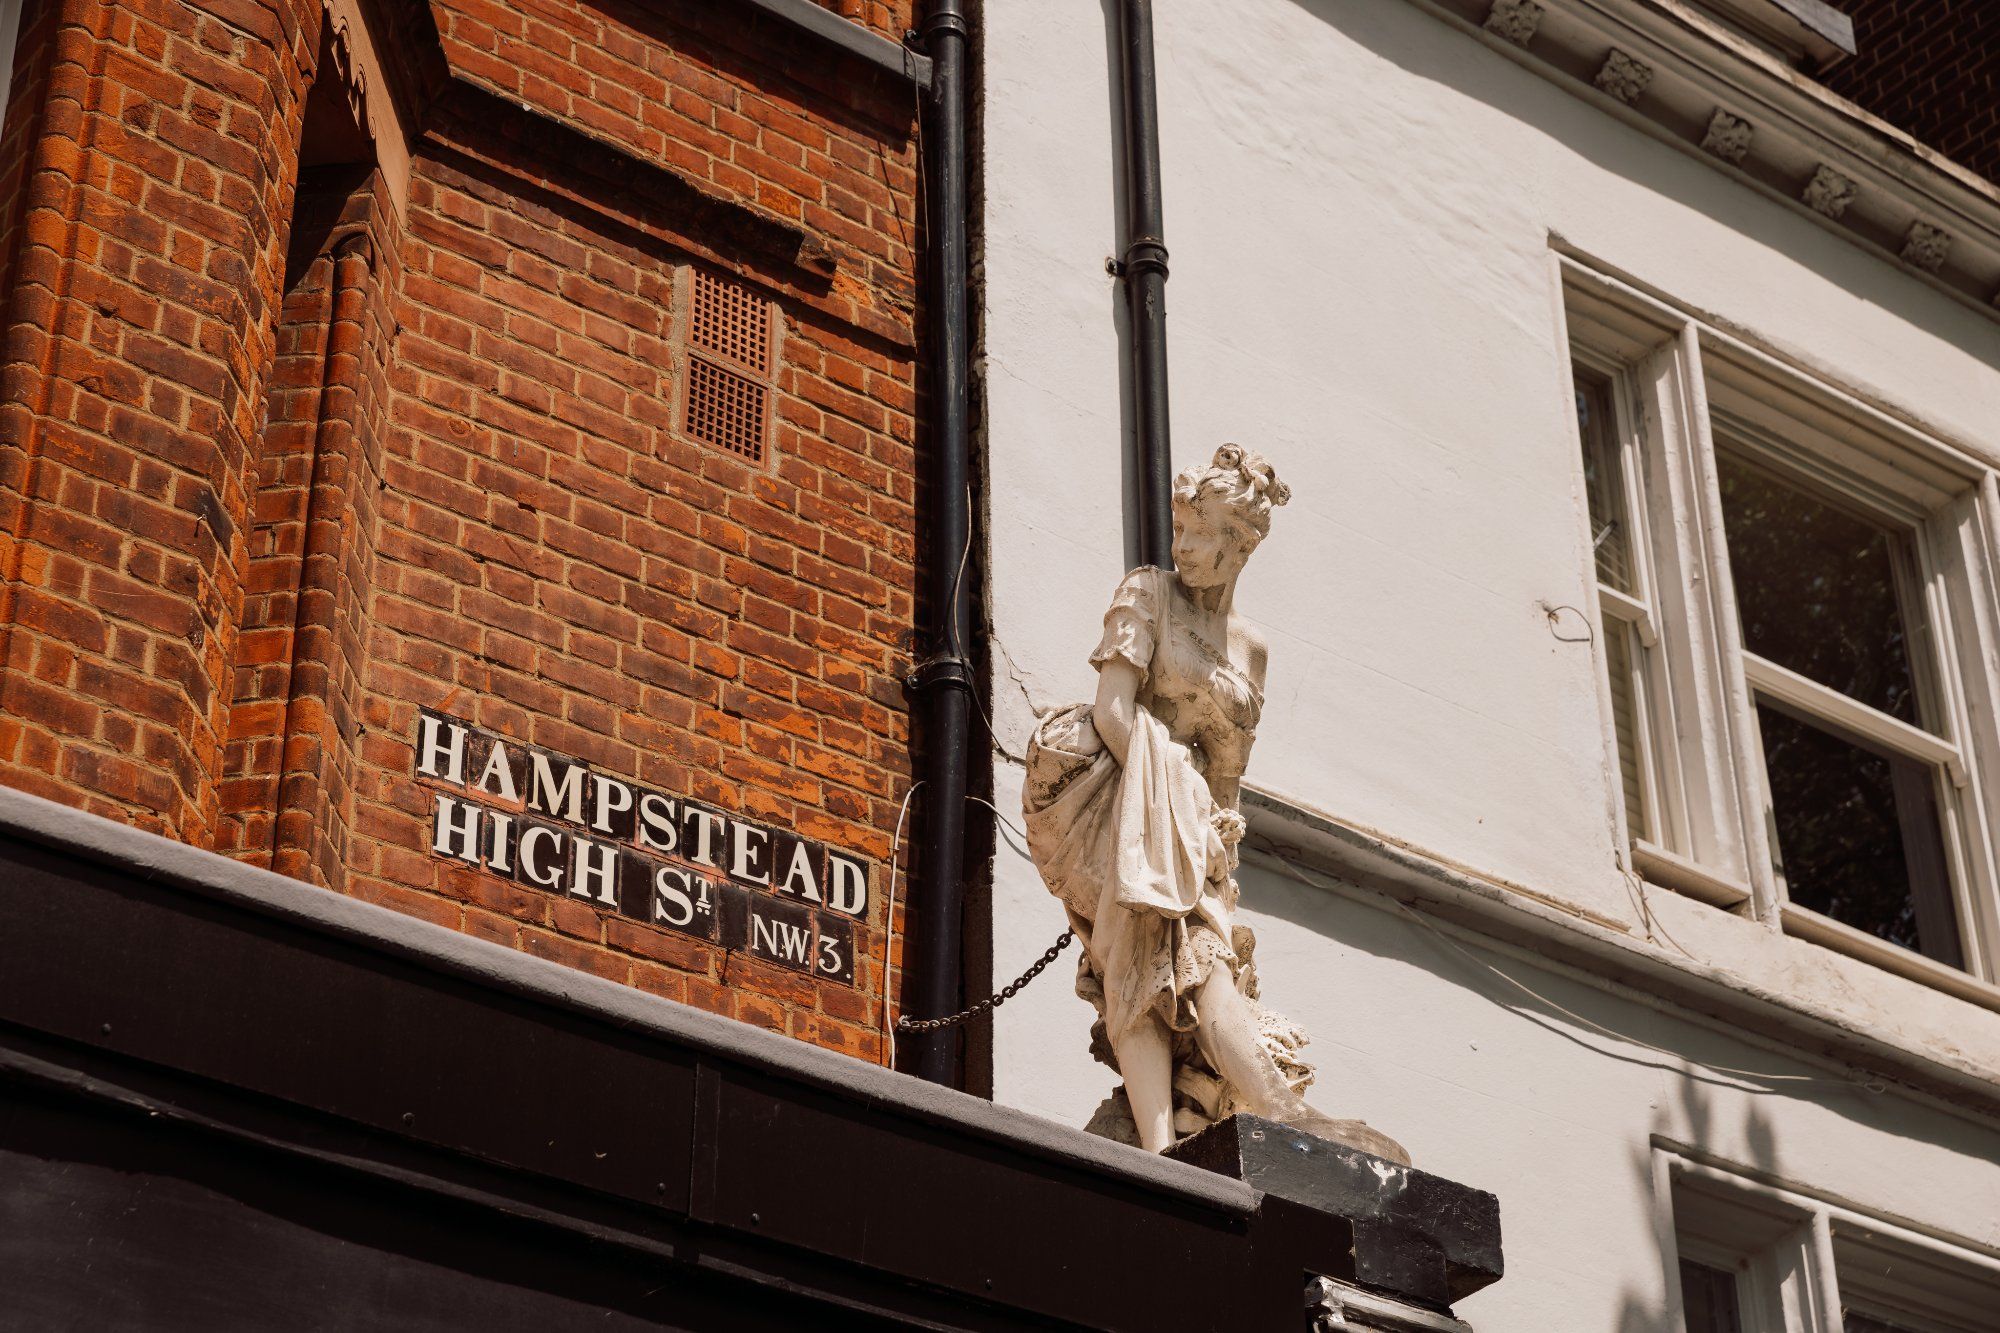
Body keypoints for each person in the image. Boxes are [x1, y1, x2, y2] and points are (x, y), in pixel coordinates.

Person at [1023, 444, 1408, 1163]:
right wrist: (1168, 789)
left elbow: (1230, 780)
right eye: (1180, 531)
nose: (1183, 549)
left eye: (1201, 537)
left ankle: (1232, 1121)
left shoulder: (1250, 651)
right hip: (1122, 801)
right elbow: (1113, 709)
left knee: (1202, 964)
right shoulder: (1147, 593)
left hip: (1193, 823)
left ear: (1240, 547)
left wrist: (1214, 847)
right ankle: (1209, 1130)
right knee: (1141, 957)